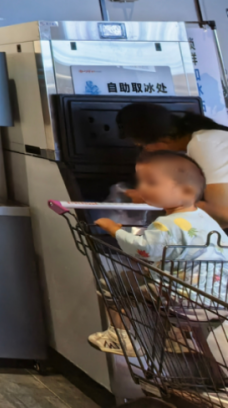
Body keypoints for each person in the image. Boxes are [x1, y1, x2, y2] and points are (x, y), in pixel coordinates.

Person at [89, 150, 228, 356]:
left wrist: (114, 230)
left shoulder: (165, 224)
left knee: (112, 284)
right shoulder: (206, 220)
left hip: (180, 300)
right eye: (141, 182)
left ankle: (121, 338)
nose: (142, 188)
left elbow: (144, 250)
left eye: (151, 183)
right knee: (155, 279)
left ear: (186, 191)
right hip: (216, 298)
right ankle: (183, 338)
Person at [117, 102, 228, 227]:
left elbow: (223, 214)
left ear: (163, 139)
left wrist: (155, 198)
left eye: (143, 146)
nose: (146, 152)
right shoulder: (202, 142)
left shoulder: (204, 143)